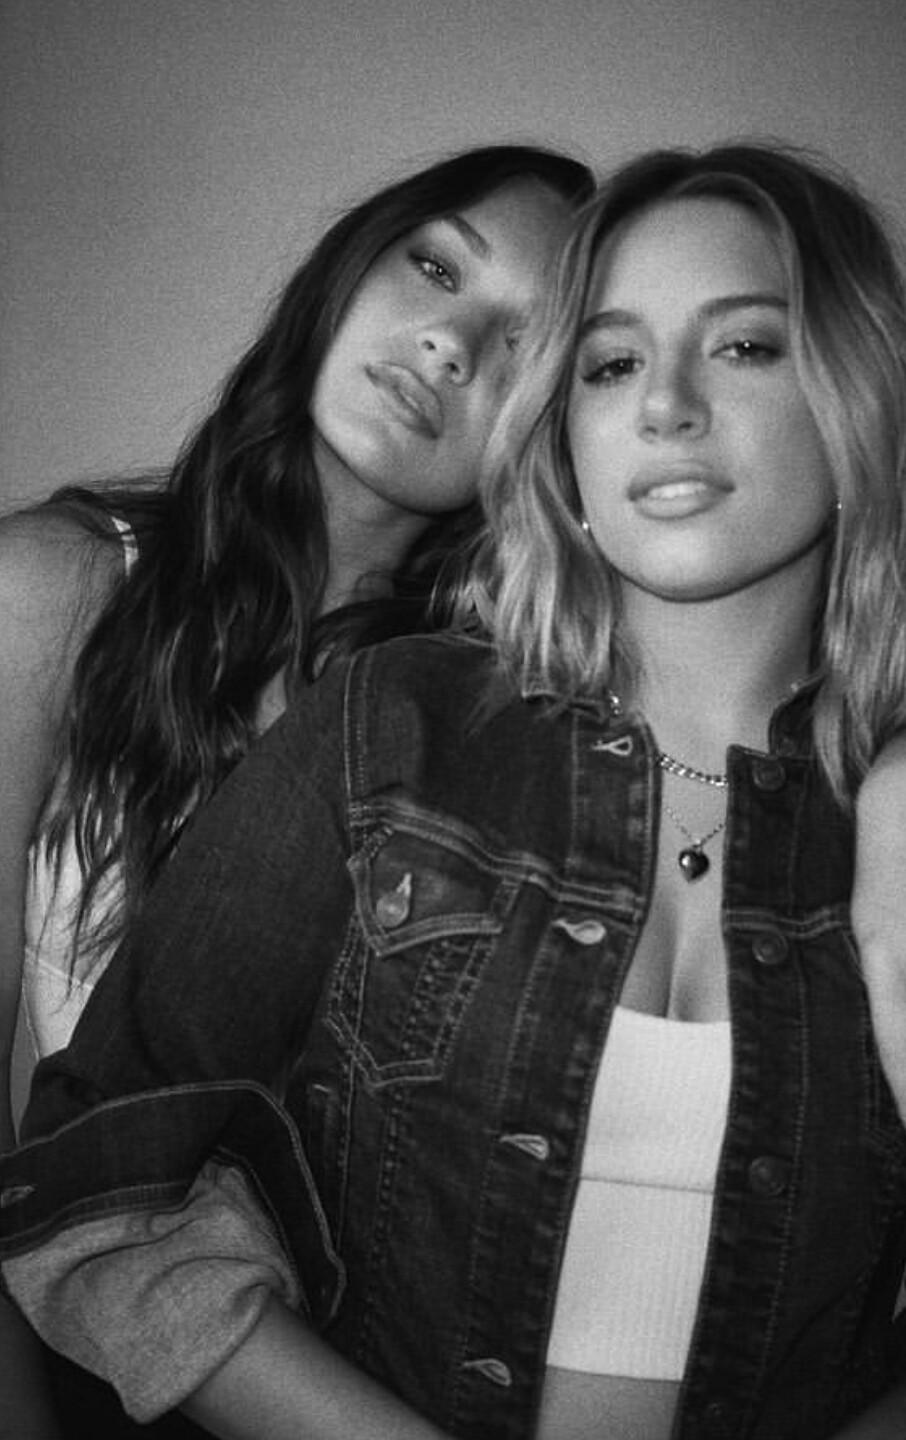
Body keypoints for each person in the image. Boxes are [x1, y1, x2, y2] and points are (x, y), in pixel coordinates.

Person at [1, 141, 906, 1440]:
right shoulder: (387, 725)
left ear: (862, 401)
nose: (666, 404)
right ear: (563, 443)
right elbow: (93, 1192)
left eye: (747, 345)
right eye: (611, 363)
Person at [0, 141, 593, 1440]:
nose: (448, 345)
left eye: (524, 347)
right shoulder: (55, 592)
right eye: (435, 267)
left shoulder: (504, 719)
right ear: (347, 268)